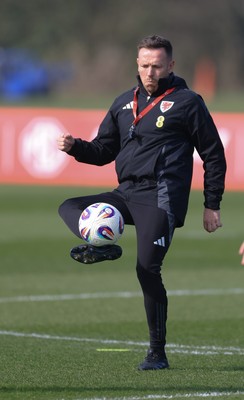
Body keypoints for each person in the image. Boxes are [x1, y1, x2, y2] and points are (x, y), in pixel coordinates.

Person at [57, 35, 226, 370]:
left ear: (171, 66)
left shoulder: (188, 102)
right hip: (126, 194)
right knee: (68, 207)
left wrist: (212, 204)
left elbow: (213, 154)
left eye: (157, 66)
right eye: (145, 65)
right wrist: (76, 146)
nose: (151, 72)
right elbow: (104, 151)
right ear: (137, 65)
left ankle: (157, 353)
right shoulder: (123, 103)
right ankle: (102, 243)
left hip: (161, 198)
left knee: (147, 269)